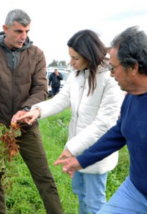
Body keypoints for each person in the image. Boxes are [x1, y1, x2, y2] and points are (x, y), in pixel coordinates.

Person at [54, 26, 147, 213]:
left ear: (133, 67)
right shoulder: (133, 93)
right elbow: (119, 132)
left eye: (113, 68)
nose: (111, 74)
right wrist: (82, 160)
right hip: (136, 192)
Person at [16, 29, 124, 214]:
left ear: (88, 55)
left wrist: (71, 148)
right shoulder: (77, 73)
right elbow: (61, 99)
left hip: (95, 153)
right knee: (81, 194)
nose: (71, 62)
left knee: (94, 202)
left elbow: (104, 123)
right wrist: (37, 110)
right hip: (77, 149)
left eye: (75, 58)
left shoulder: (109, 78)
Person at [0, 9, 63, 214]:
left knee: (44, 177)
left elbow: (40, 89)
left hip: (27, 124)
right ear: (6, 29)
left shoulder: (36, 54)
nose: (24, 36)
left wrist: (25, 110)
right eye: (19, 31)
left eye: (27, 31)